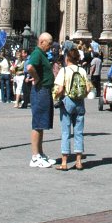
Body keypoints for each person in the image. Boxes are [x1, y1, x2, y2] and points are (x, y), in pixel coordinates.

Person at [52, 47, 91, 171]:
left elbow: (59, 89)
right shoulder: (82, 70)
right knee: (79, 132)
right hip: (80, 102)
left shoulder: (63, 71)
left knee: (66, 132)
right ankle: (79, 162)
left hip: (67, 101)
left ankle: (64, 162)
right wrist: (81, 95)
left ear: (67, 58)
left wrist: (55, 97)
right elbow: (88, 88)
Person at [27, 32, 56, 168]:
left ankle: (40, 153)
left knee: (42, 124)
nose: (50, 46)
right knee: (37, 124)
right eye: (49, 44)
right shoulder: (37, 53)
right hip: (40, 91)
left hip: (45, 91)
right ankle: (34, 157)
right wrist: (37, 78)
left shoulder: (42, 54)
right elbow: (29, 67)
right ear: (42, 42)